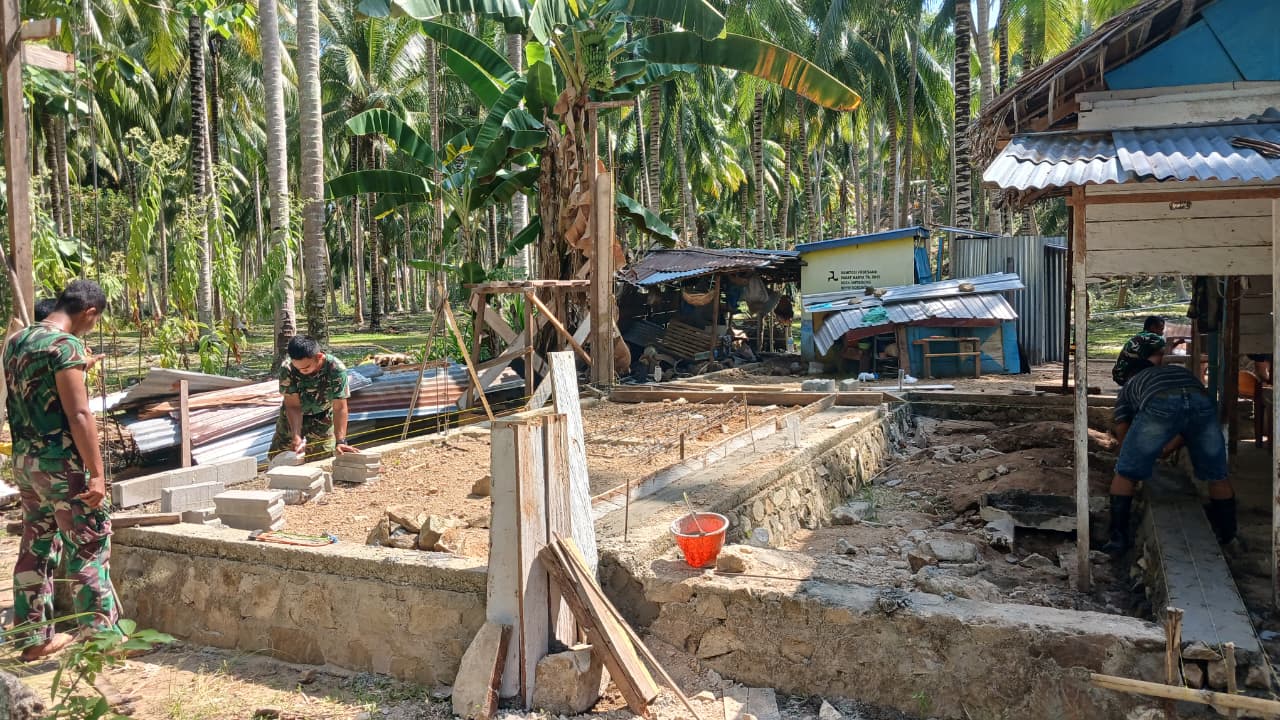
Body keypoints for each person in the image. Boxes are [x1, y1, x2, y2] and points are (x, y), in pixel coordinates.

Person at [6, 279, 119, 661]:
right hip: (61, 466)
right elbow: (79, 414)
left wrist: (79, 365)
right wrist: (97, 474)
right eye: (95, 320)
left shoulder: (18, 341)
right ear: (89, 312)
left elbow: (39, 388)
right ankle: (103, 640)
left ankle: (33, 637)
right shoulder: (64, 346)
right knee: (87, 544)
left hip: (26, 464)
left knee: (35, 547)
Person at [1103, 351, 1237, 555]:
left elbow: (1123, 431)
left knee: (1126, 473)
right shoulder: (1172, 372)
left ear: (1129, 376)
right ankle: (1228, 536)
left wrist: (1129, 457)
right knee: (1217, 475)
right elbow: (1186, 424)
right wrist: (1166, 449)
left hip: (1160, 401)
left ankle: (1118, 540)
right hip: (1201, 401)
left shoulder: (1128, 387)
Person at [268, 335, 358, 462]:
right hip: (291, 417)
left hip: (322, 416)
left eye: (306, 368)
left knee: (322, 459)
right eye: (298, 368)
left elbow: (340, 407)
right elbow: (293, 406)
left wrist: (340, 441)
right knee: (279, 458)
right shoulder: (287, 368)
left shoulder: (336, 369)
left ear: (319, 357)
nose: (301, 371)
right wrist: (296, 436)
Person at [1112, 318, 1168, 386]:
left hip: (1119, 376)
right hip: (1128, 377)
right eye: (1161, 329)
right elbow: (1167, 351)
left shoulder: (1140, 335)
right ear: (1153, 327)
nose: (1162, 333)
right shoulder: (1153, 337)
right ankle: (1153, 380)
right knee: (1160, 355)